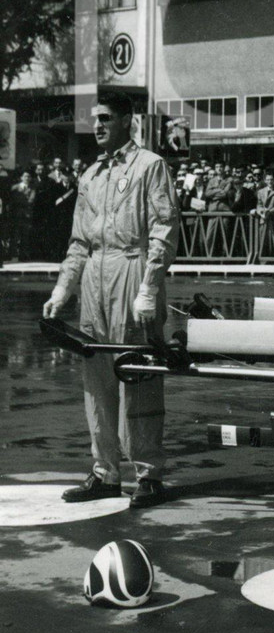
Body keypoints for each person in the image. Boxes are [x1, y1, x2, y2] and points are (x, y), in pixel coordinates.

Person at [42, 90, 180, 510]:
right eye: (95, 119)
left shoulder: (150, 166)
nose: (97, 126)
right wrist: (63, 289)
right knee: (96, 377)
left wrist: (149, 287)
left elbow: (164, 229)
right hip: (95, 278)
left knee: (137, 374)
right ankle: (105, 472)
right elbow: (79, 242)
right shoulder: (91, 176)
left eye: (105, 118)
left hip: (131, 268)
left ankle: (148, 474)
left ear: (127, 121)